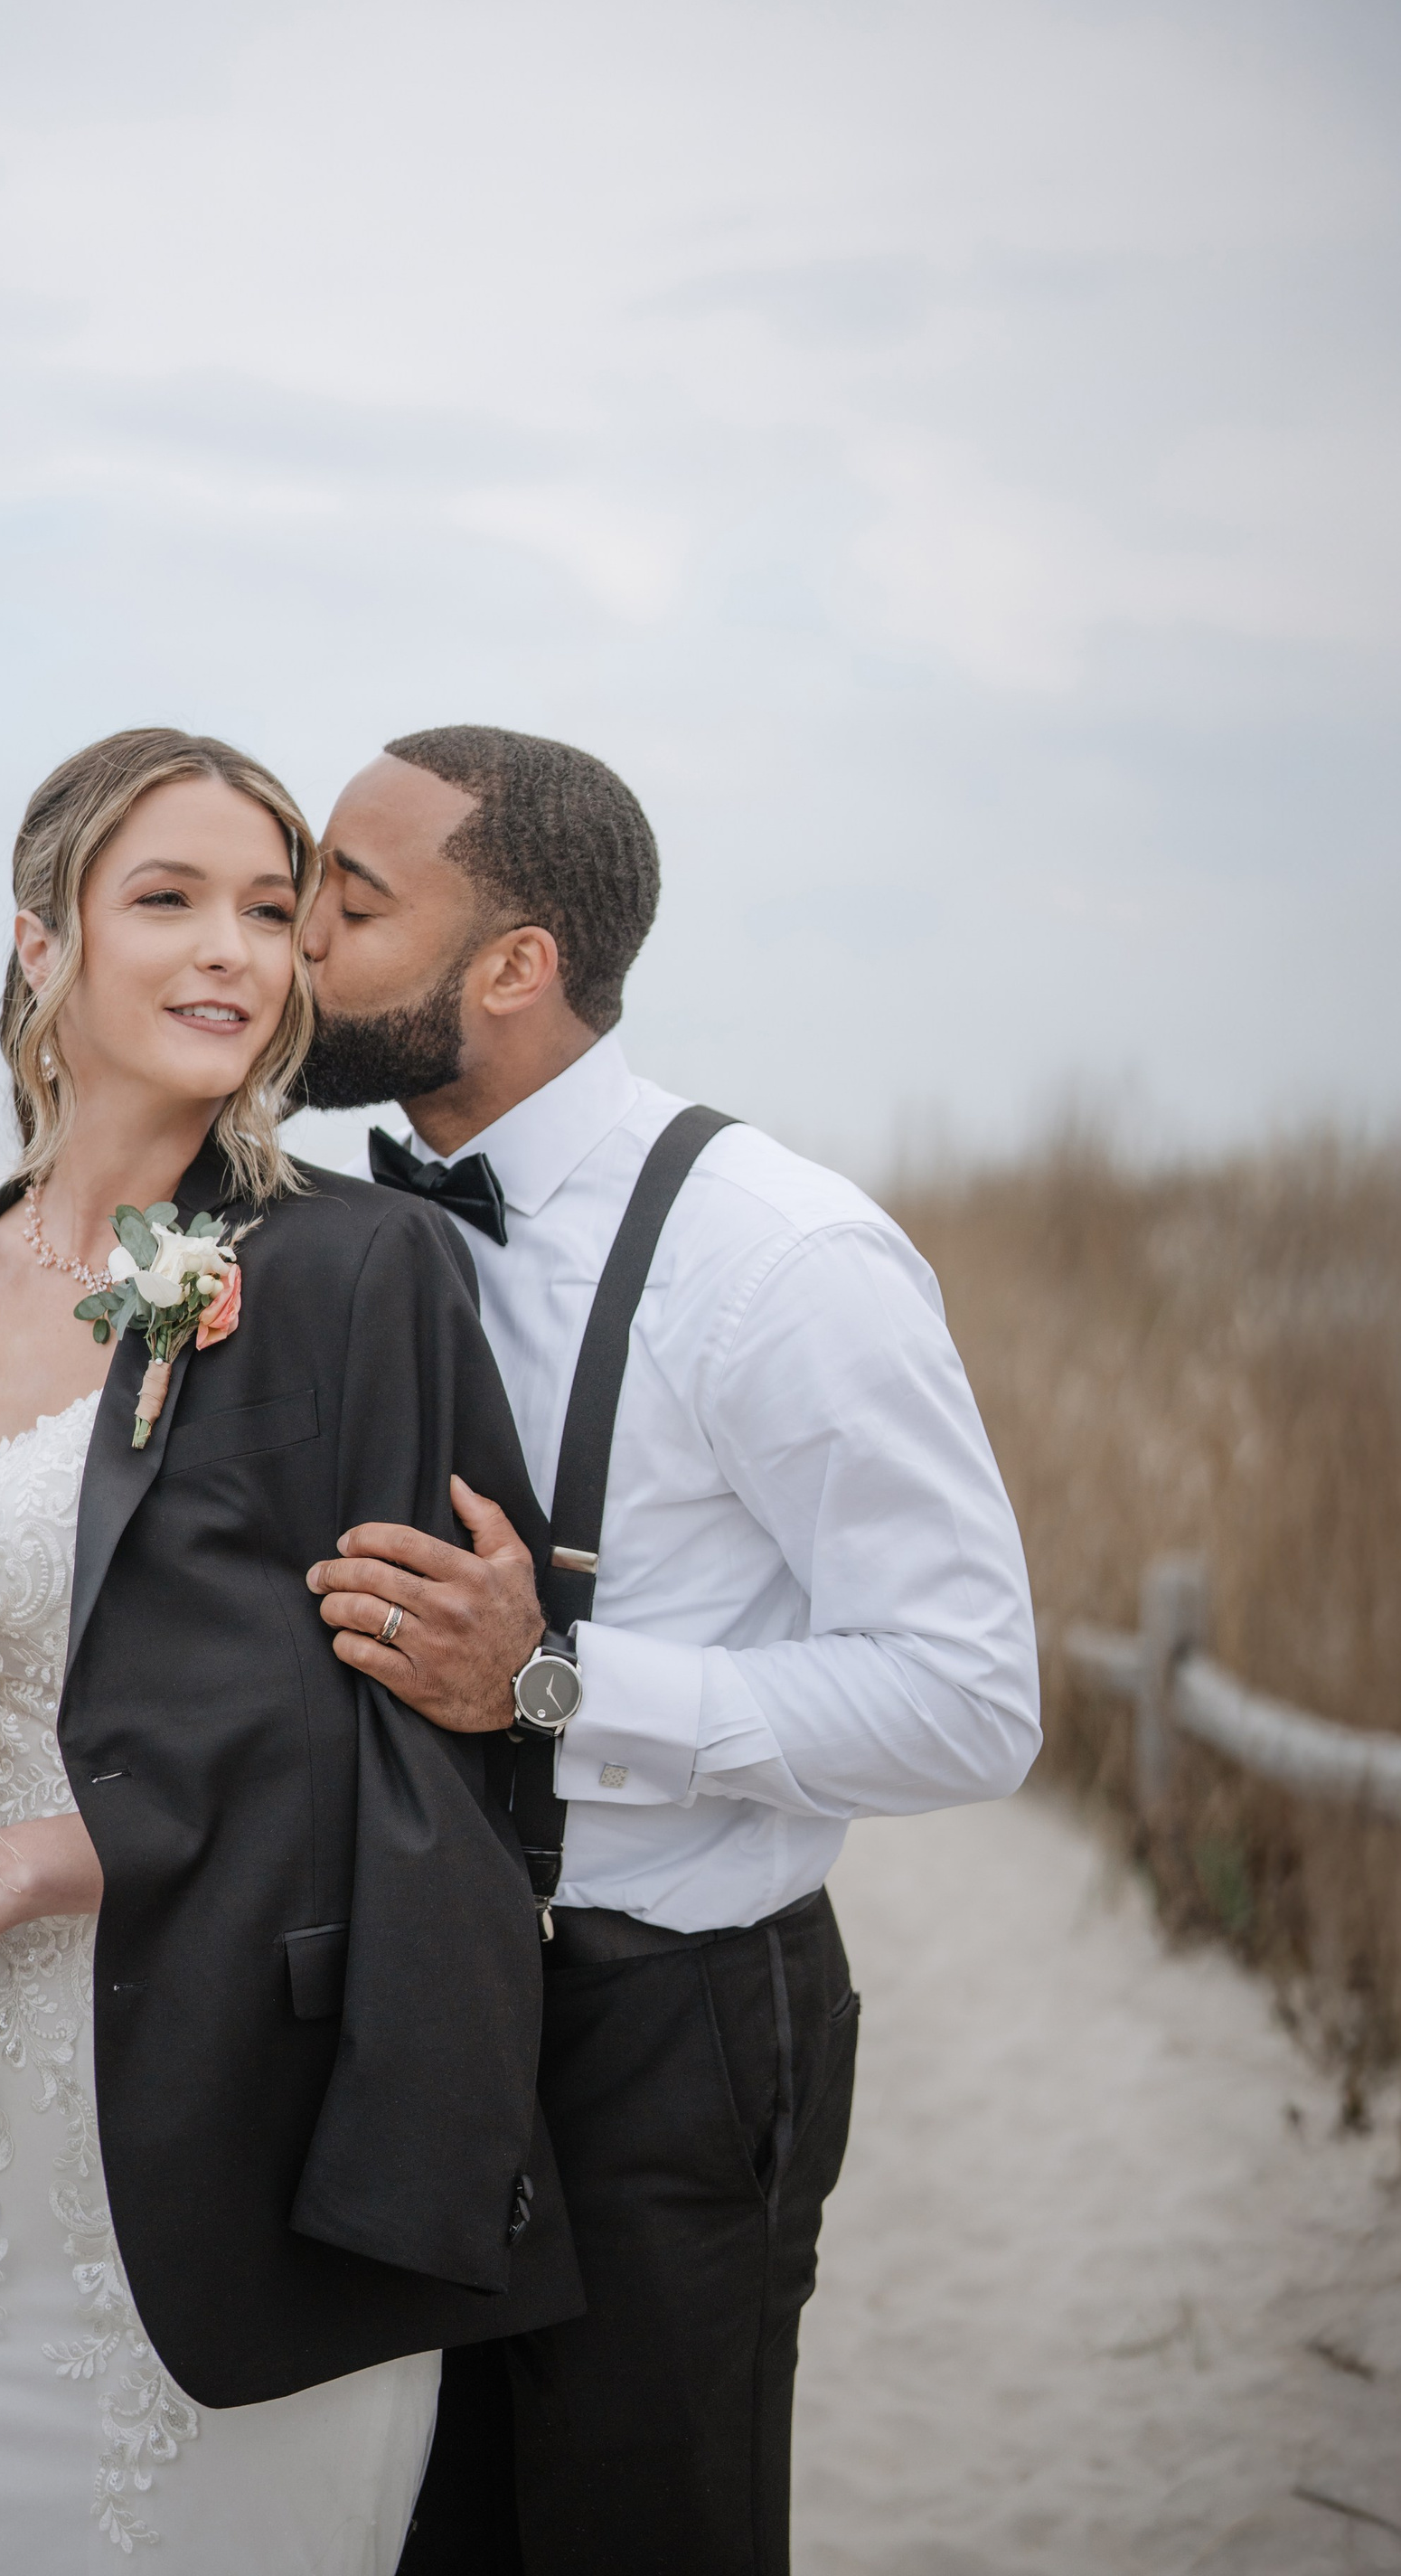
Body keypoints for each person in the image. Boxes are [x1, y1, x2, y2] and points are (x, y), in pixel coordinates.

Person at [0, 726, 583, 2576]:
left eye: (270, 909)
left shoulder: (357, 1272)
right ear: (41, 944)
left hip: (217, 2149)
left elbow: (395, 1755)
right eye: (164, 899)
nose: (230, 951)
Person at [296, 725, 1043, 2576]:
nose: (288, 933)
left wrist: (553, 1687)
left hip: (665, 2021)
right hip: (399, 2012)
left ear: (513, 966)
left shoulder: (781, 1259)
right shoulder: (318, 1224)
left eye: (347, 898)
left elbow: (971, 1698)